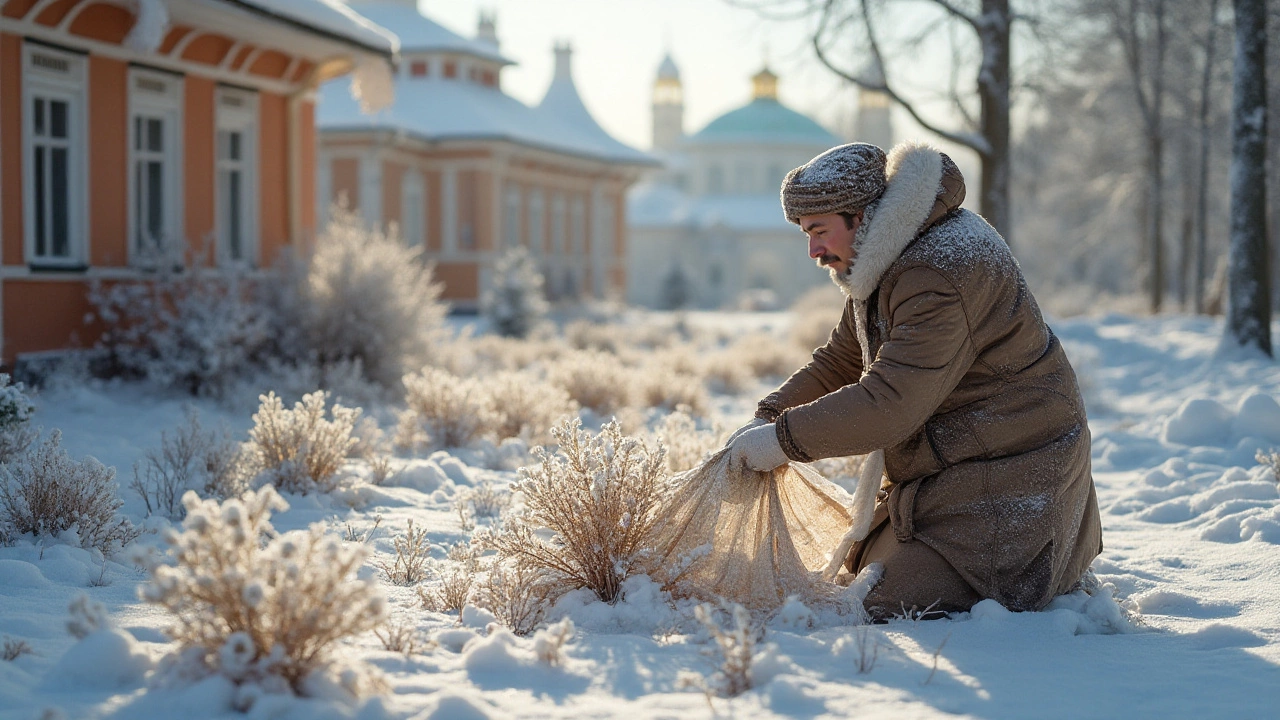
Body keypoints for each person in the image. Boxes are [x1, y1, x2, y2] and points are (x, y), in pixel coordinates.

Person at [725, 141, 1102, 620]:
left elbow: (891, 402)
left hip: (1015, 474)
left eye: (819, 231)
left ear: (861, 217)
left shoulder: (935, 271)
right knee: (861, 565)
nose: (814, 251)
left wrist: (781, 440)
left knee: (881, 603)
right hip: (954, 466)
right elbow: (842, 358)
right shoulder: (890, 252)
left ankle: (1050, 573)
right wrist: (768, 414)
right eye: (805, 234)